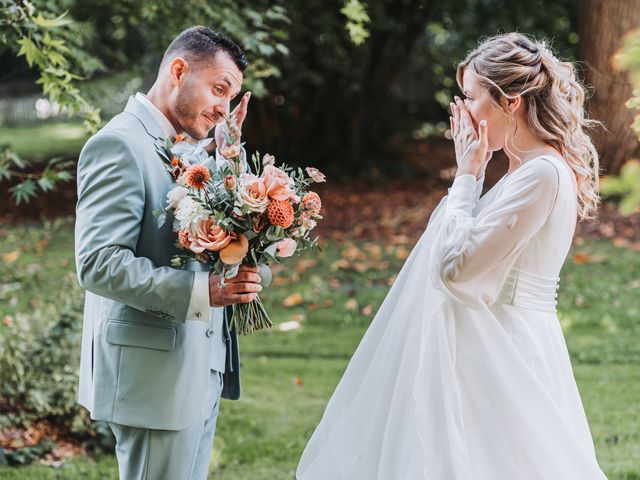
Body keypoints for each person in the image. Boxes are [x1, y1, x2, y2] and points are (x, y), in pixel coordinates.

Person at [296, 32, 607, 479]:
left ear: (510, 102)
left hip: (504, 352)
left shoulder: (541, 174)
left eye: (471, 97)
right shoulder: (527, 171)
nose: (461, 113)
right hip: (487, 342)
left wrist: (466, 176)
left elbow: (454, 271)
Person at [74, 26, 262, 480]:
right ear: (179, 71)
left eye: (231, 97)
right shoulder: (119, 143)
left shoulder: (197, 149)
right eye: (219, 89)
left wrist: (231, 165)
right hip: (152, 376)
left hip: (202, 367)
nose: (224, 107)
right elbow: (97, 263)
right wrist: (205, 291)